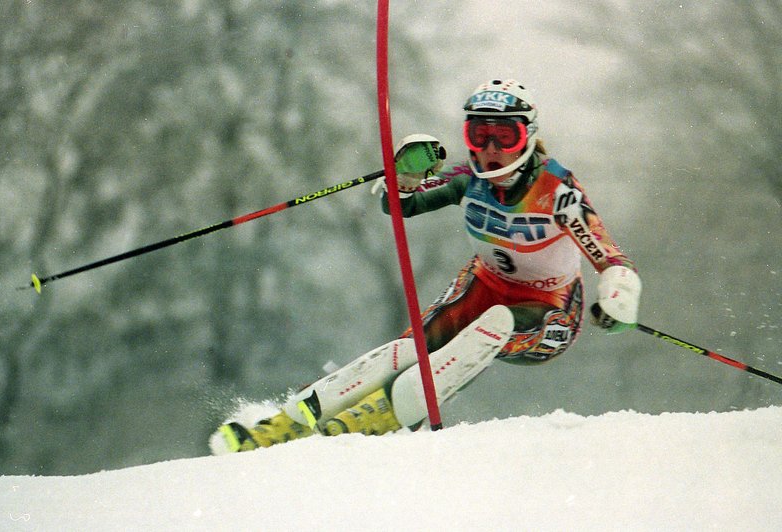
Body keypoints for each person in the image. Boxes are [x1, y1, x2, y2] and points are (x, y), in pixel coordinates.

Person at [212, 78, 641, 453]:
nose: (490, 151)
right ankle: (295, 416)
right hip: (486, 284)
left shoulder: (556, 189)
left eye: (503, 137)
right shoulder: (466, 180)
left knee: (494, 322)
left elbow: (611, 258)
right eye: (479, 135)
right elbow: (399, 205)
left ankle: (387, 412)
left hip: (548, 310)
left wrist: (618, 298)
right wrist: (404, 178)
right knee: (413, 346)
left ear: (527, 137)